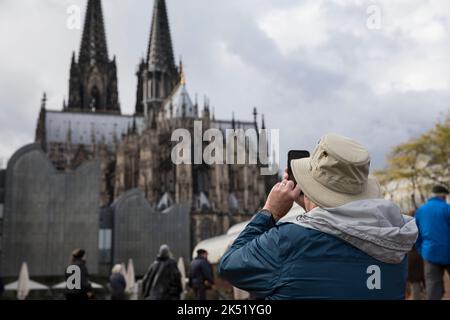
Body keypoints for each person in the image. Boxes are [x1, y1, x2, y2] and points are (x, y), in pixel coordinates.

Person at [219, 133, 418, 300]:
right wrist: (312, 208)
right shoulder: (394, 244)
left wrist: (270, 211)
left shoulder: (288, 241)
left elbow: (230, 265)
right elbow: (341, 236)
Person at [415, 185, 450, 300]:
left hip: (429, 253)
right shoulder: (447, 208)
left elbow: (416, 236)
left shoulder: (420, 211)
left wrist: (422, 251)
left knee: (433, 289)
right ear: (444, 196)